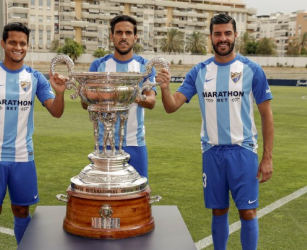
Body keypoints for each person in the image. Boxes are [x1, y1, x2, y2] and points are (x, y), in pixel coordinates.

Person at [158, 14, 274, 250]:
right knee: (219, 210)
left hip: (243, 151)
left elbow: (266, 115)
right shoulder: (199, 71)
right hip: (212, 152)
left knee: (248, 212)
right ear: (210, 37)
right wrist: (164, 88)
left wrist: (267, 157)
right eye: (218, 34)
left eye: (227, 33)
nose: (223, 38)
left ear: (235, 35)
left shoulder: (252, 69)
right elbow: (171, 106)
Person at [0, 22, 66, 249]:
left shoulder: (35, 78)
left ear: (27, 46)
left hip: (23, 156)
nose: (18, 47)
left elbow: (56, 112)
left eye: (22, 43)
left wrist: (59, 94)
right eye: (13, 42)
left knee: (22, 210)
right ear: (3, 43)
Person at [81, 15, 169, 178]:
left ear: (135, 37)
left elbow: (150, 102)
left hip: (135, 144)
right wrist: (97, 95)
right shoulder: (98, 65)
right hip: (105, 144)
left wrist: (129, 94)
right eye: (119, 32)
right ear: (112, 36)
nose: (123, 37)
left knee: (137, 195)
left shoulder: (145, 67)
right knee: (107, 195)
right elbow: (85, 103)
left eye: (128, 33)